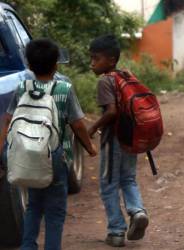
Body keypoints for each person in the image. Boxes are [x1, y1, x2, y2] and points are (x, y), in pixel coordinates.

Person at [0, 38, 97, 250]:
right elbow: (77, 124)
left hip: (27, 155)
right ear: (55, 64)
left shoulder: (22, 87)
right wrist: (90, 147)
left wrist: (3, 152)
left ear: (29, 65)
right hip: (55, 156)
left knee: (34, 205)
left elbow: (8, 121)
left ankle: (28, 247)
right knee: (55, 212)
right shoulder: (64, 89)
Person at [88, 34, 149, 247]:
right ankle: (138, 211)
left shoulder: (105, 81)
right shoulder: (126, 76)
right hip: (132, 137)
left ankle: (116, 231)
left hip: (113, 139)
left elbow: (112, 112)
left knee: (108, 185)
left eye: (96, 59)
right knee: (128, 178)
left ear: (111, 60)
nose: (92, 64)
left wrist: (94, 126)